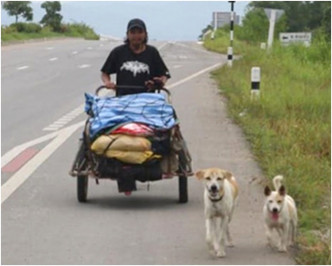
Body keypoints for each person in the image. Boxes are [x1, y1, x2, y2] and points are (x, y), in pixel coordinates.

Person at [101, 18, 171, 96]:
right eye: (133, 32)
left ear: (145, 34)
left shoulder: (152, 52)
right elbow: (105, 73)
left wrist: (159, 83)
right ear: (127, 34)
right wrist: (107, 83)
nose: (136, 36)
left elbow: (165, 74)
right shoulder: (118, 52)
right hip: (123, 99)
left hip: (147, 99)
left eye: (140, 32)